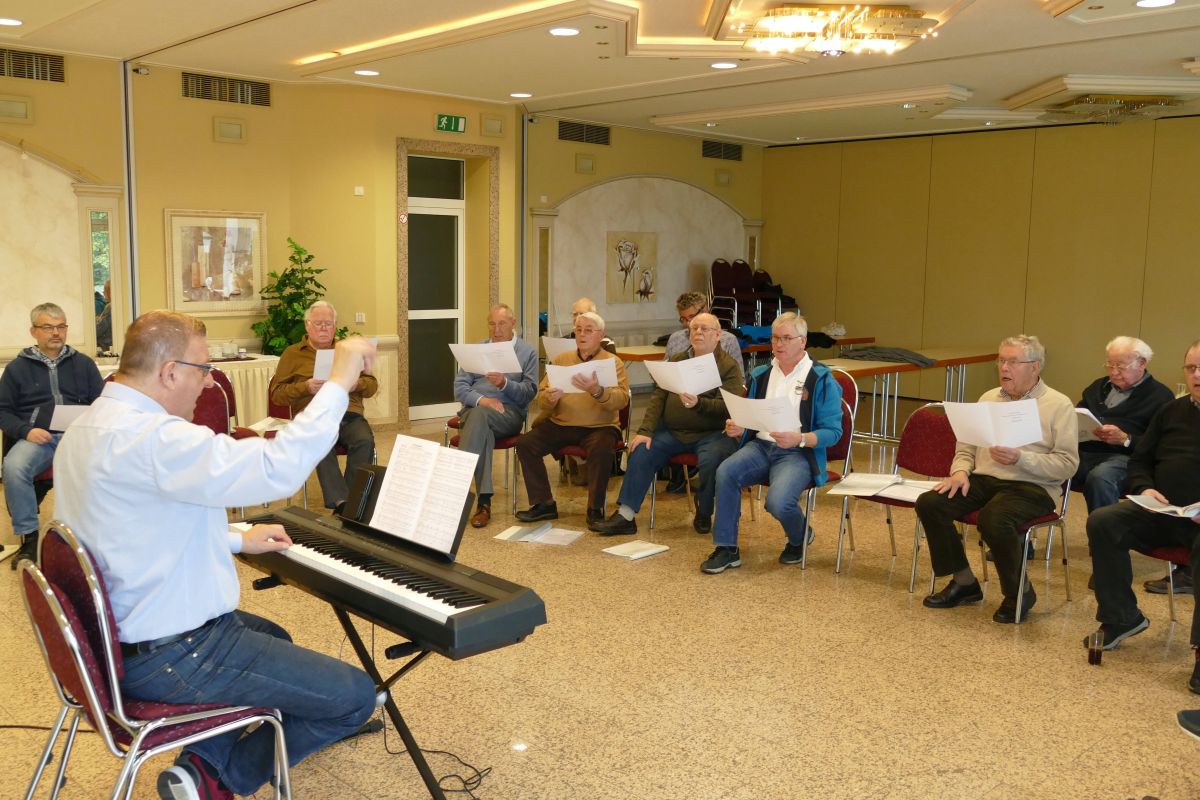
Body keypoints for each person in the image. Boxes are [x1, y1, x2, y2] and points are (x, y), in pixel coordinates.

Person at [52, 310, 379, 800]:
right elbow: (277, 467)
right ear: (170, 372)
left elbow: (130, 526)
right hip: (175, 653)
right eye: (203, 368)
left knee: (273, 635)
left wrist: (236, 540)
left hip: (115, 641)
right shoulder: (156, 438)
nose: (208, 383)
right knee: (355, 697)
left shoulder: (89, 426)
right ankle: (220, 781)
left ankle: (199, 762)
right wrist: (339, 381)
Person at [916, 335, 1078, 624]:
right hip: (984, 479)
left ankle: (1019, 592)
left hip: (1034, 486)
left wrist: (1021, 459)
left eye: (1013, 362)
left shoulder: (1058, 405)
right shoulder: (988, 398)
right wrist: (960, 471)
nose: (1004, 367)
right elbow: (965, 448)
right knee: (931, 503)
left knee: (994, 518)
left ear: (1035, 367)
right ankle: (964, 582)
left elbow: (1067, 465)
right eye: (1001, 360)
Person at [1084, 340, 1200, 691]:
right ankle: (1121, 617)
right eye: (1191, 368)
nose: (1197, 375)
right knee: (1104, 521)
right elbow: (1141, 459)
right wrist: (1145, 487)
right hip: (1164, 509)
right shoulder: (1172, 411)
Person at [701, 312, 843, 575]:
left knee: (777, 502)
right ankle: (726, 548)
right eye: (775, 338)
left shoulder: (821, 379)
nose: (779, 344)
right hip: (760, 446)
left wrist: (800, 438)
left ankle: (800, 536)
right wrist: (741, 427)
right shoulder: (761, 374)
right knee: (726, 472)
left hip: (798, 452)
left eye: (787, 338)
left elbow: (834, 433)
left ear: (803, 341)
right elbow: (753, 417)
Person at [591, 313, 741, 536]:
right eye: (694, 328)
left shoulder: (728, 366)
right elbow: (658, 397)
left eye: (705, 329)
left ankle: (704, 510)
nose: (698, 332)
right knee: (641, 449)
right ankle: (626, 515)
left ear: (718, 335)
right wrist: (645, 431)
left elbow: (729, 406)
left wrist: (699, 404)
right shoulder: (677, 360)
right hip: (673, 432)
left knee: (712, 460)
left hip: (712, 433)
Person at [0, 302, 103, 566]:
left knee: (113, 462)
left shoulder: (84, 364)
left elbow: (103, 404)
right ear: (33, 331)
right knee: (13, 467)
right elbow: (3, 411)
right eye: (48, 327)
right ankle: (30, 538)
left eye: (61, 327)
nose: (56, 333)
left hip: (79, 438)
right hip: (39, 439)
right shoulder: (16, 369)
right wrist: (26, 431)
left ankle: (97, 534)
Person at [1075, 336, 1178, 591]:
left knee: (1101, 478)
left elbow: (1160, 446)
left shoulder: (1161, 397)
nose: (1113, 372)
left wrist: (1126, 439)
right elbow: (1077, 415)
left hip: (1126, 458)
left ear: (1141, 363)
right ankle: (1022, 537)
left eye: (1120, 366)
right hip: (1085, 451)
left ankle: (1106, 562)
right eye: (1110, 365)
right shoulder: (1098, 387)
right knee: (1046, 465)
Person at [515, 311, 629, 524]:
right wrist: (549, 398)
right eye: (578, 330)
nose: (582, 334)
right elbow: (542, 398)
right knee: (526, 444)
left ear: (601, 335)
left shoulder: (613, 362)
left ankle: (595, 508)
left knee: (601, 450)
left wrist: (597, 391)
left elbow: (622, 400)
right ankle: (544, 503)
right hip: (562, 423)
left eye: (588, 330)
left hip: (600, 426)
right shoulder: (562, 360)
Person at [269, 300, 377, 511]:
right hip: (314, 416)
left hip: (349, 413)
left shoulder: (347, 351)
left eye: (328, 324)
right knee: (321, 444)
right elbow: (277, 395)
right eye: (318, 324)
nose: (324, 328)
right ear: (307, 325)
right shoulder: (292, 354)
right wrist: (305, 387)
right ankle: (342, 503)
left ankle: (353, 500)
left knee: (364, 440)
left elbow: (372, 386)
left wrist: (355, 384)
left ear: (335, 326)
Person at [453, 304, 538, 528]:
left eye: (502, 324)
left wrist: (505, 384)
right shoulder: (477, 349)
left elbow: (529, 392)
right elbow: (459, 389)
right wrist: (483, 400)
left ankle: (456, 489)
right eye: (492, 324)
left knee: (478, 419)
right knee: (481, 425)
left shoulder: (527, 352)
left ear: (513, 323)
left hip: (508, 413)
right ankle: (484, 502)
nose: (496, 329)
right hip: (476, 411)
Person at [664, 291, 744, 382]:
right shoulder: (675, 338)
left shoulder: (728, 340)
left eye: (691, 317)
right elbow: (666, 371)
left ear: (705, 311)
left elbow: (740, 380)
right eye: (683, 319)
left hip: (717, 389)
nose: (688, 323)